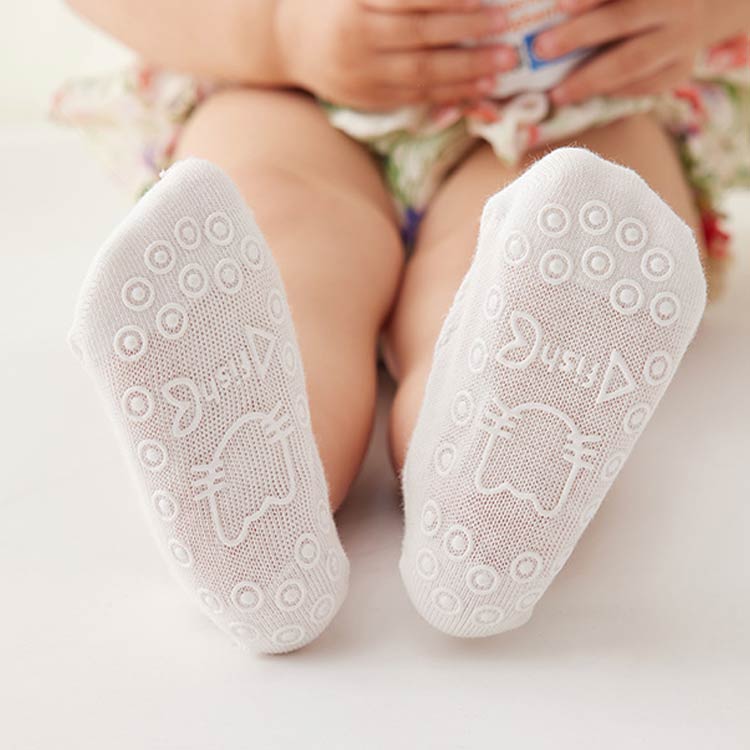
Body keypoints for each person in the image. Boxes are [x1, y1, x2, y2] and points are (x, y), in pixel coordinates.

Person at [62, 0, 749, 653]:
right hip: (288, 92)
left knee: (569, 207)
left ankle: (479, 489)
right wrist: (279, 32)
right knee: (279, 229)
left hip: (584, 97)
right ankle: (254, 494)